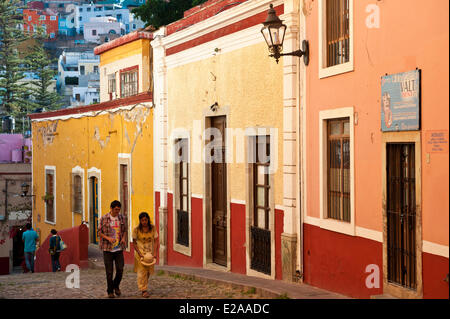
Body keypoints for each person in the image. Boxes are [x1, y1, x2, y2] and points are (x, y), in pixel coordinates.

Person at [98, 200, 128, 298]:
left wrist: (123, 238)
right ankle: (110, 291)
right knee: (109, 272)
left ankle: (116, 285)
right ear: (111, 208)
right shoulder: (104, 218)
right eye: (115, 210)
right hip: (107, 249)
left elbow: (125, 231)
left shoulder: (122, 218)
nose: (117, 212)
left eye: (118, 210)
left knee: (120, 269)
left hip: (119, 248)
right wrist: (108, 238)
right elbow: (99, 232)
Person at [132, 212, 158, 298]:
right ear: (140, 221)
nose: (144, 222)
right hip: (140, 253)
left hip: (150, 254)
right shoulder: (136, 229)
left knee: (148, 272)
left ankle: (144, 285)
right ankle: (144, 290)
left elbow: (156, 241)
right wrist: (139, 254)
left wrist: (155, 253)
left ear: (148, 219)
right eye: (142, 220)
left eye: (146, 220)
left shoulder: (153, 228)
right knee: (141, 272)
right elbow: (134, 243)